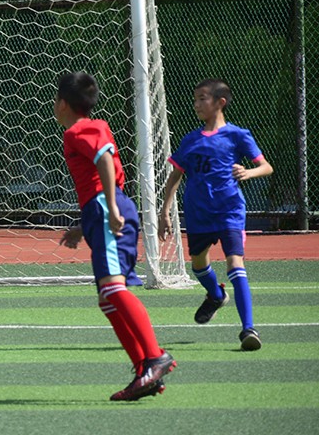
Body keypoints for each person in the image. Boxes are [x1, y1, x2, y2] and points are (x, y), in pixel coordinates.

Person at [54, 70, 176, 401]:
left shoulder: (79, 130)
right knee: (107, 299)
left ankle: (154, 357)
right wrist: (84, 225)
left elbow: (105, 161)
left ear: (63, 103)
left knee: (113, 289)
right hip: (100, 212)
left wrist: (109, 207)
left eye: (55, 99)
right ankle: (143, 371)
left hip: (107, 209)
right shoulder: (92, 127)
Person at [157, 80, 273, 351]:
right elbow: (175, 176)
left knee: (235, 263)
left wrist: (249, 172)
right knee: (198, 265)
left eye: (202, 99)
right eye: (195, 99)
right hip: (198, 214)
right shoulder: (191, 140)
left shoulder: (237, 135)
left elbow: (266, 167)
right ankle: (217, 294)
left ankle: (248, 330)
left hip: (230, 210)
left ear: (220, 102)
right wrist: (164, 211)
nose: (196, 104)